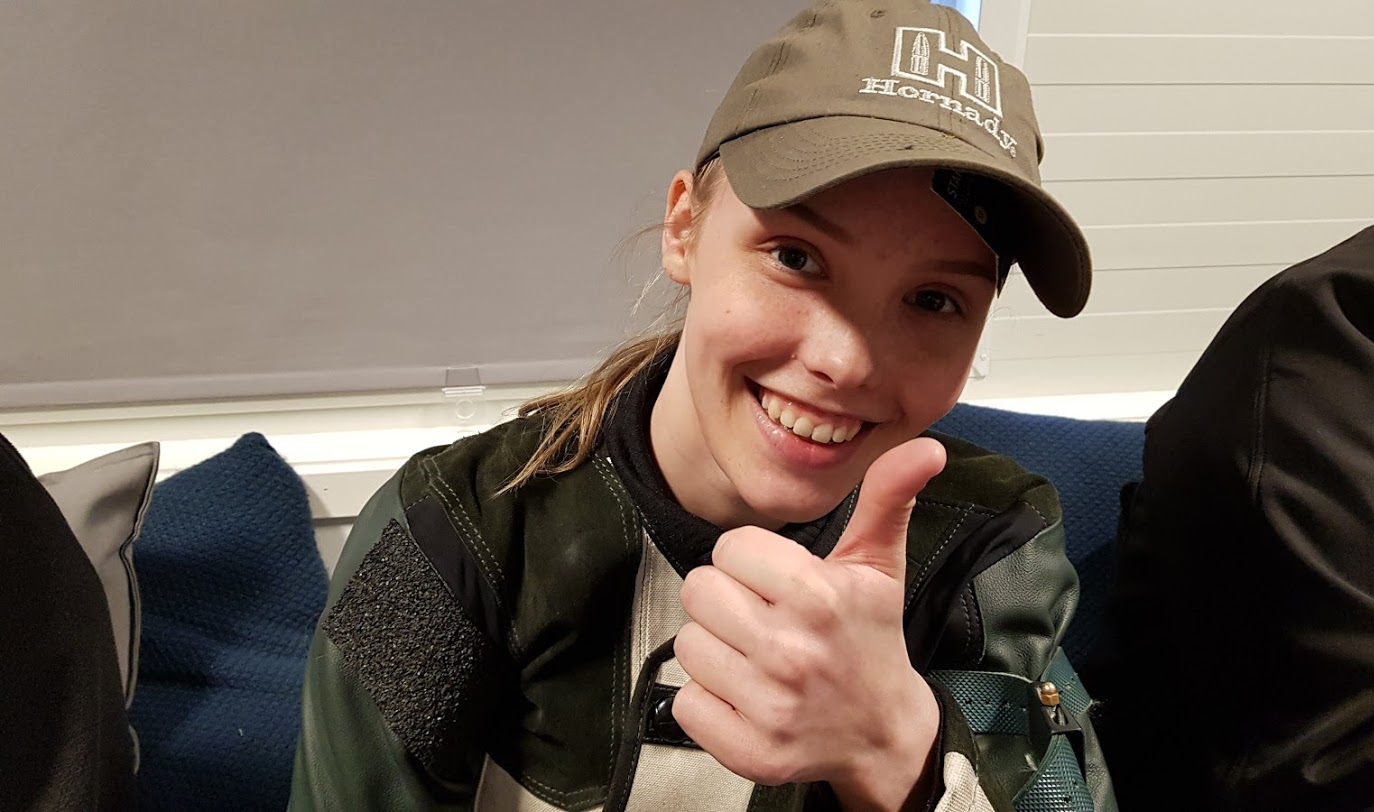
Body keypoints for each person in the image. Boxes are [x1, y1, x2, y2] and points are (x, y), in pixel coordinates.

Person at [288, 1, 1113, 809]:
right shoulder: (448, 532)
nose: (843, 361)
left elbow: (1059, 790)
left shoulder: (993, 550)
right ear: (684, 227)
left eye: (933, 301)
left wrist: (898, 752)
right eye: (796, 258)